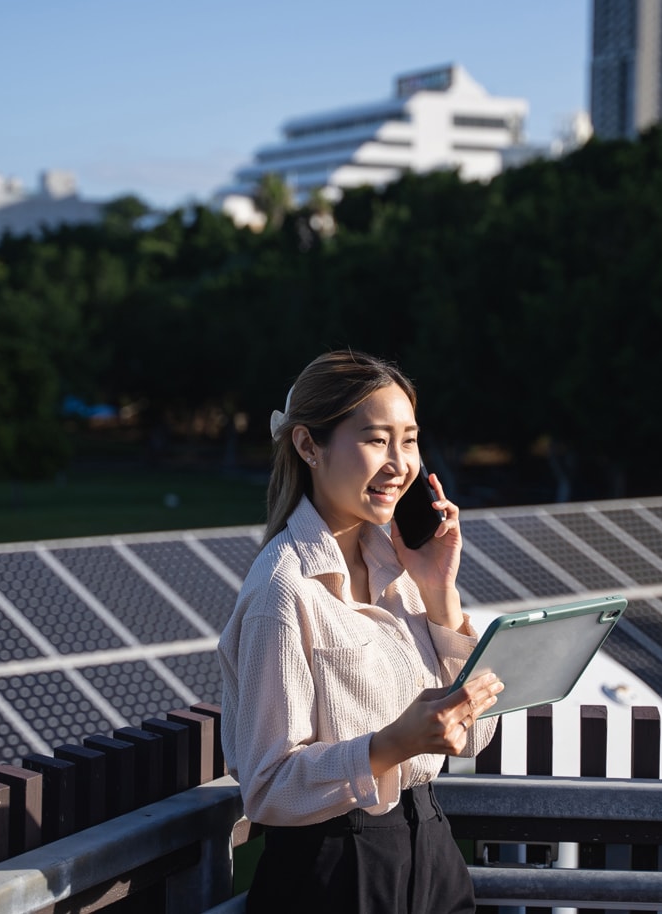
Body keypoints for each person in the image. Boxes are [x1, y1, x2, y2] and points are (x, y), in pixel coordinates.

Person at [218, 350, 504, 914]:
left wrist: (442, 594)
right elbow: (268, 788)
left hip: (433, 854)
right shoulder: (284, 593)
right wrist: (394, 743)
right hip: (334, 876)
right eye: (376, 440)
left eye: (410, 440)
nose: (401, 464)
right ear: (308, 446)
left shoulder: (402, 573)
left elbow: (473, 740)